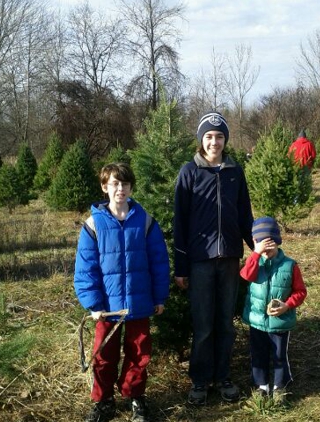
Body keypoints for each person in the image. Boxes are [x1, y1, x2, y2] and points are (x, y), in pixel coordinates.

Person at [74, 162, 170, 422]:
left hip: (139, 303)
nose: (120, 189)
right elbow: (85, 268)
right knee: (104, 356)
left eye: (125, 184)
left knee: (139, 353)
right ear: (105, 187)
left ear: (130, 187)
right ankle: (103, 401)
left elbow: (159, 261)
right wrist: (94, 304)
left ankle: (135, 397)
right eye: (115, 183)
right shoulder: (93, 225)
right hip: (107, 307)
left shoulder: (145, 221)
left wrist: (159, 296)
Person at [174, 112, 254, 405]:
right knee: (204, 325)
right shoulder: (190, 172)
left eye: (219, 137)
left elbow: (245, 214)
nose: (214, 142)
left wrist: (255, 248)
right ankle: (199, 380)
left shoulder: (235, 171)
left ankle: (224, 377)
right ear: (201, 140)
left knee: (225, 323)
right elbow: (179, 221)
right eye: (208, 136)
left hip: (230, 258)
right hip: (200, 261)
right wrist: (181, 266)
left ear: (225, 140)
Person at [240, 216, 307, 403]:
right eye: (263, 246)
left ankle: (280, 386)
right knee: (258, 354)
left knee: (279, 354)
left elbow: (301, 292)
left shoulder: (290, 265)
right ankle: (261, 386)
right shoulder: (255, 263)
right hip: (257, 321)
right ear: (255, 243)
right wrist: (256, 253)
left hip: (280, 321)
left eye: (270, 246)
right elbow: (245, 275)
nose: (267, 251)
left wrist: (287, 305)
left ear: (277, 242)